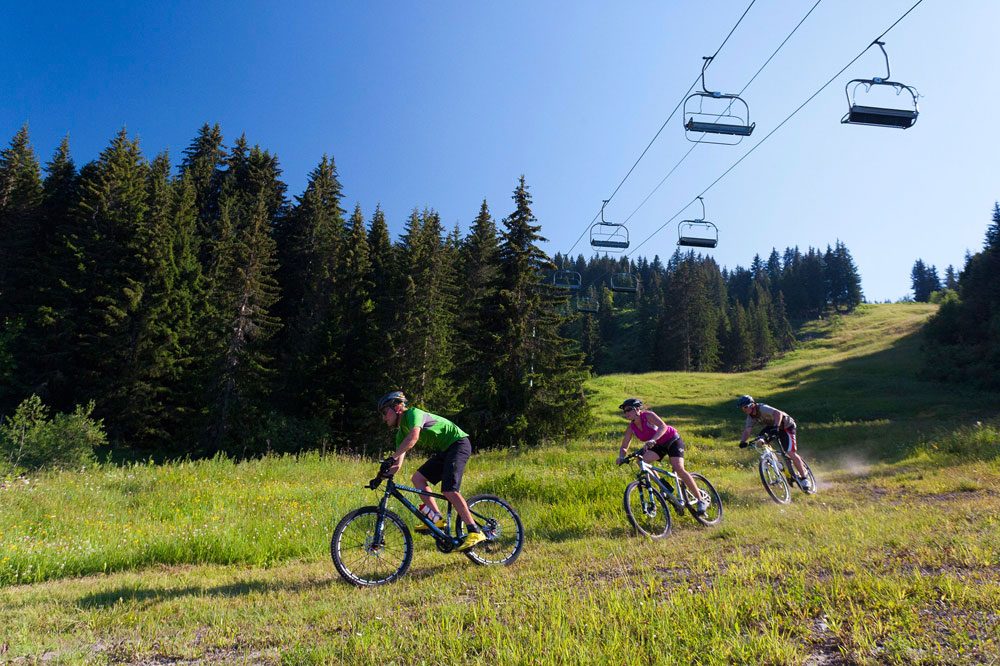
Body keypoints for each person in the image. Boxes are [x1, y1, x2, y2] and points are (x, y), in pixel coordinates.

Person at [377, 390, 486, 551]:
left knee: (449, 490)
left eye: (385, 413)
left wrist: (392, 457)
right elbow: (397, 464)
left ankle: (475, 531)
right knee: (418, 479)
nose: (384, 418)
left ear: (398, 407)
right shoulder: (401, 433)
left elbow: (413, 438)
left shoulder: (414, 413)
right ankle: (437, 518)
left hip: (459, 444)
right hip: (446, 450)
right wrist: (380, 477)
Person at [616, 398, 708, 514]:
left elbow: (663, 426)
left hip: (672, 440)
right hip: (657, 445)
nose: (626, 413)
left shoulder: (648, 416)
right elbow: (624, 446)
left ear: (637, 409)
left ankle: (700, 500)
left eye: (629, 410)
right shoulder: (631, 428)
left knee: (679, 468)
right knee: (641, 461)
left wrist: (653, 439)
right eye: (625, 411)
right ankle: (663, 484)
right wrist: (621, 457)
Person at [736, 395, 812, 490]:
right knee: (761, 440)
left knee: (790, 452)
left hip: (786, 425)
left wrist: (776, 427)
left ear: (752, 405)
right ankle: (776, 463)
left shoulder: (762, 408)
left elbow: (778, 413)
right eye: (742, 408)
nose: (744, 409)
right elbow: (747, 430)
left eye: (745, 407)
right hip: (773, 427)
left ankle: (804, 478)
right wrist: (743, 441)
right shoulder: (750, 417)